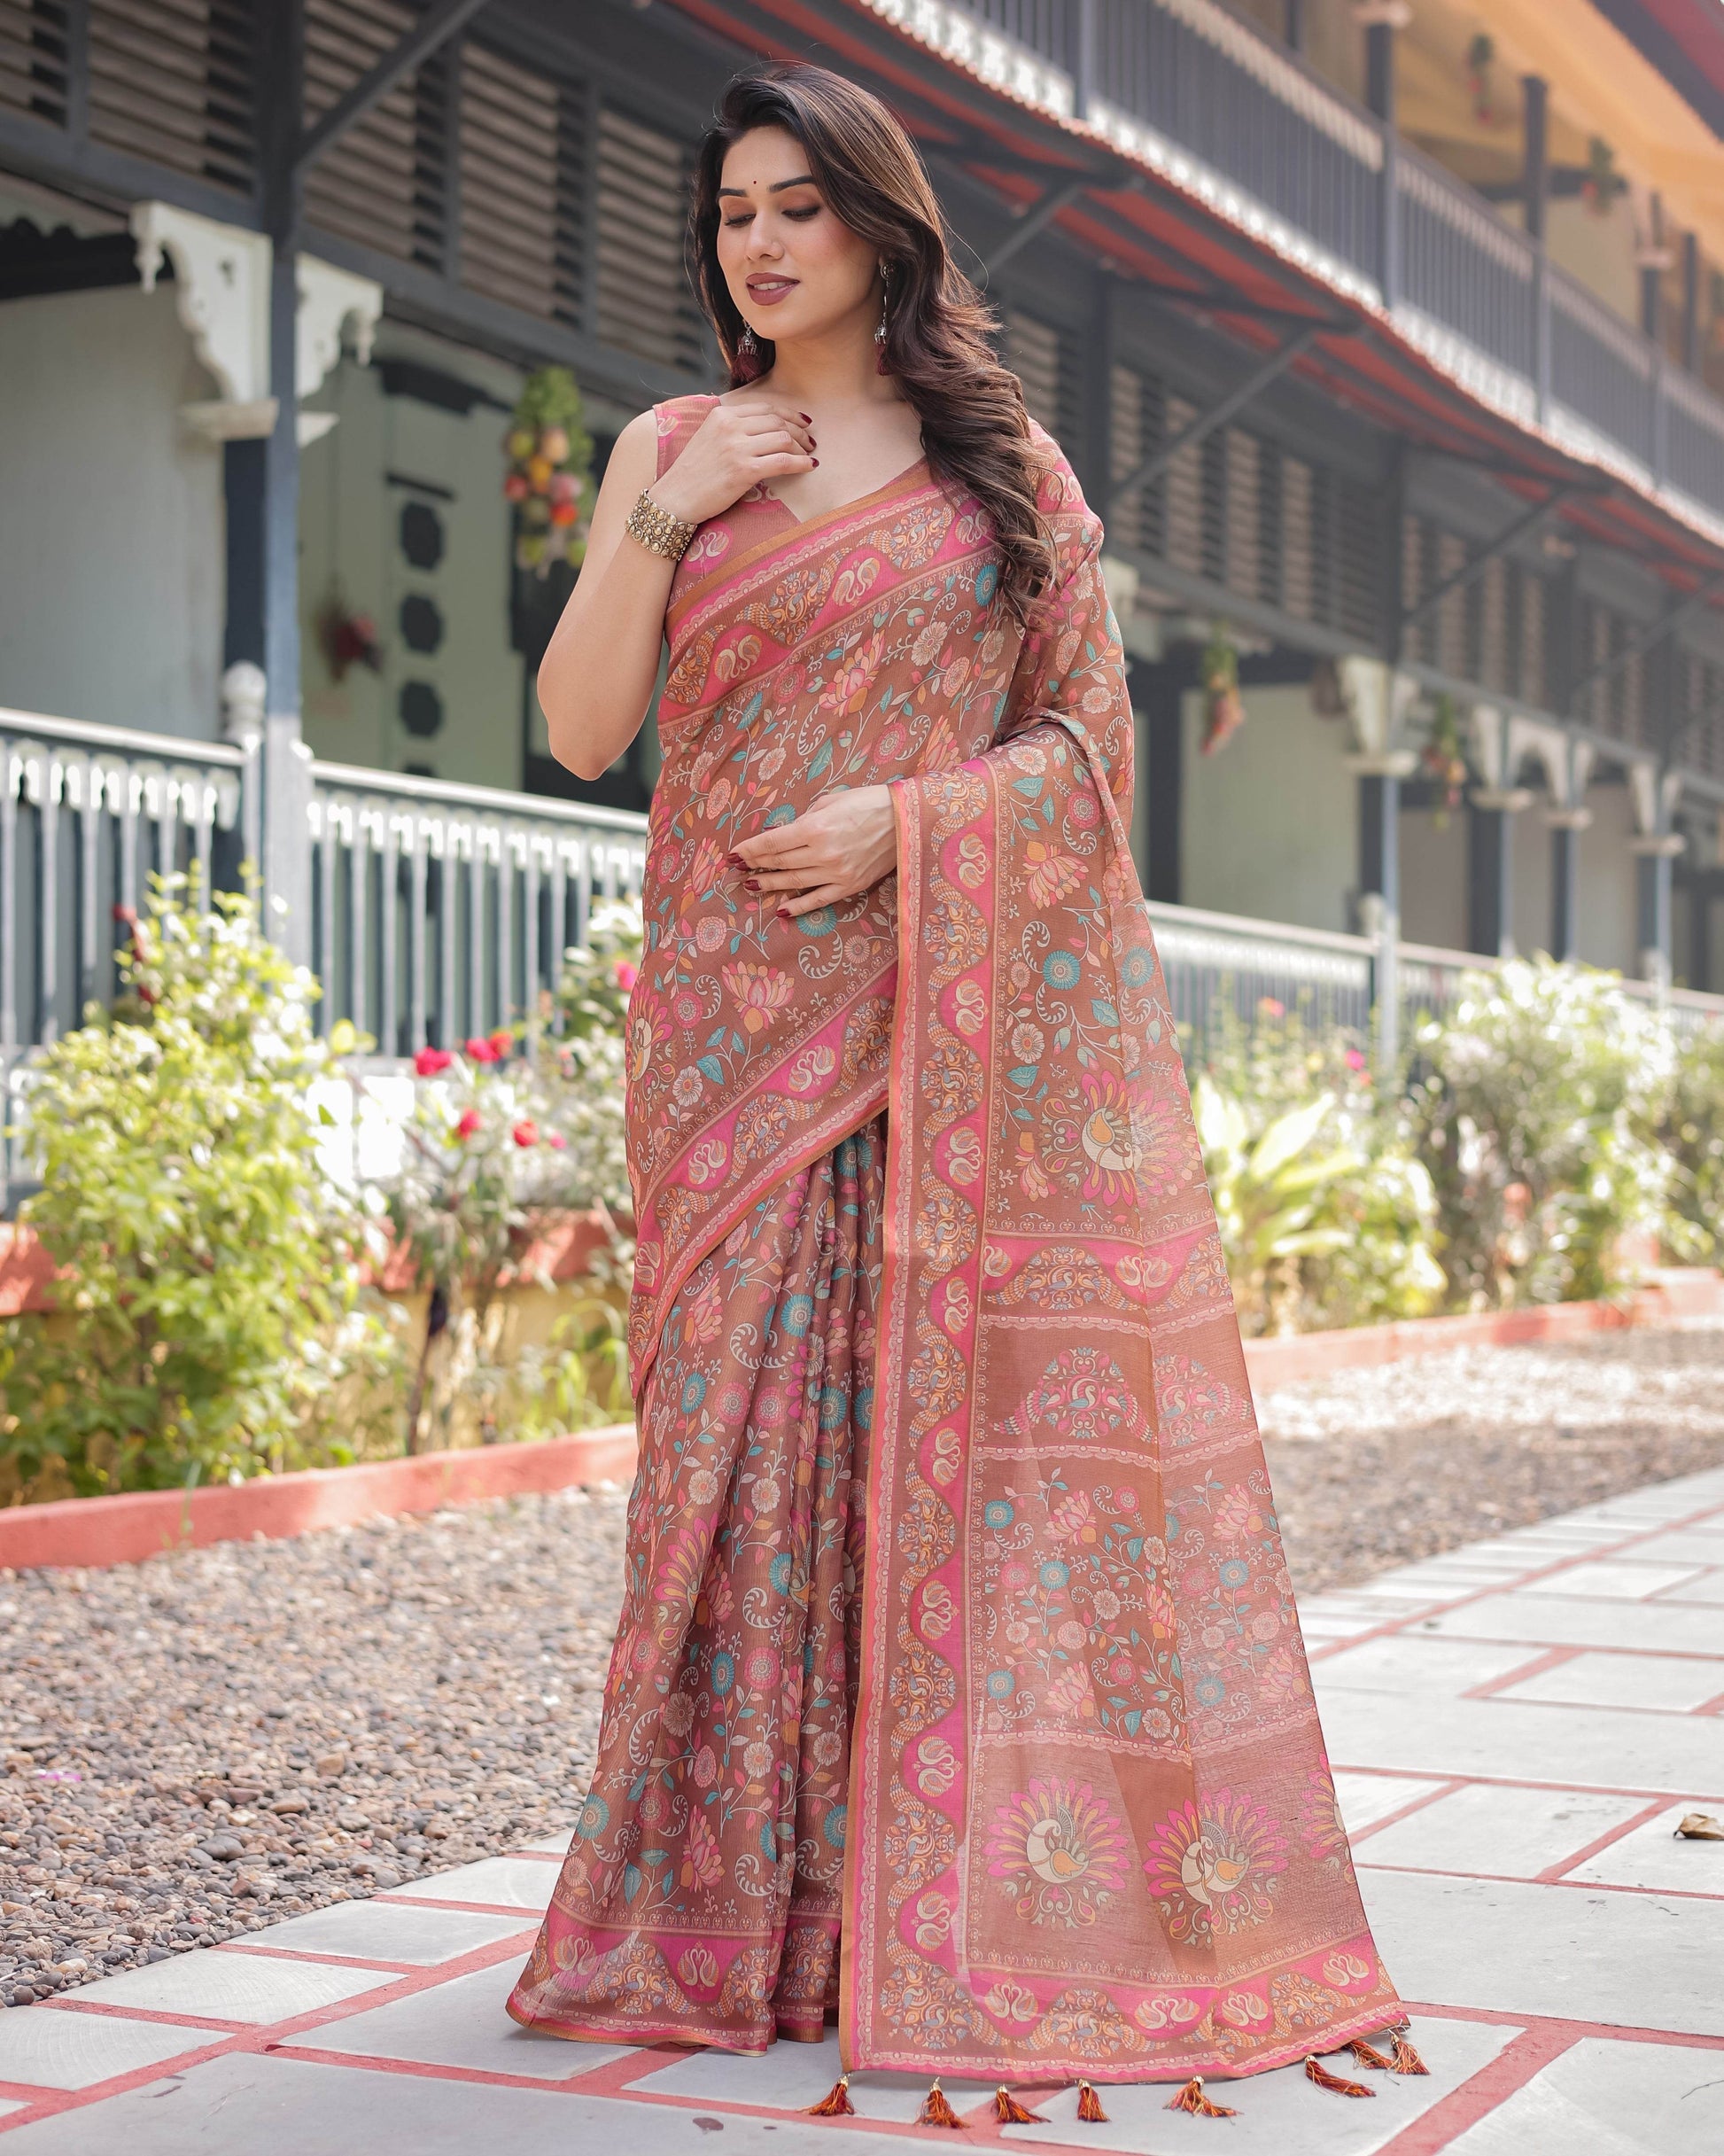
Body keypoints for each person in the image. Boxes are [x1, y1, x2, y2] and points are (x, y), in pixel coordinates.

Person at [507, 59, 1410, 2106]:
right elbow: (577, 730)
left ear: (880, 226)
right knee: (726, 1470)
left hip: (932, 1016)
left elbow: (1086, 763)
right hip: (731, 1028)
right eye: (733, 205)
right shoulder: (671, 443)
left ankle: (899, 1906)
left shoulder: (1000, 467)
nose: (759, 239)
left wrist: (912, 821)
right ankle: (723, 1913)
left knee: (923, 1463)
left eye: (798, 204)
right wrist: (665, 507)